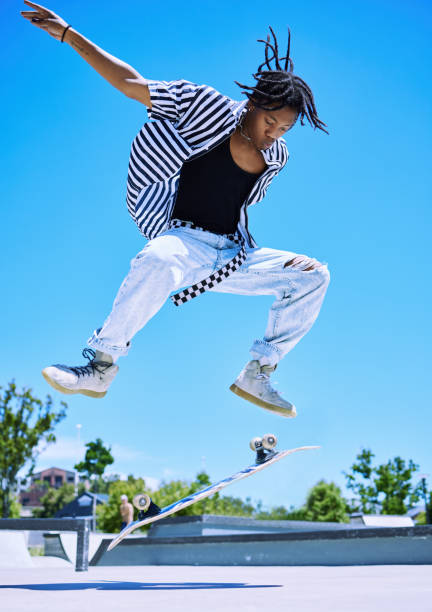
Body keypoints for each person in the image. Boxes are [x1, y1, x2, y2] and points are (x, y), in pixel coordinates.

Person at [22, 1, 330, 418]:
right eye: (269, 122)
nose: (272, 135)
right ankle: (101, 365)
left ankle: (259, 371)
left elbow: (242, 201)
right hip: (185, 242)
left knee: (313, 275)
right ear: (255, 102)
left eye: (283, 130)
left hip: (234, 255)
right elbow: (132, 83)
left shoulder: (277, 158)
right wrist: (68, 34)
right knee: (158, 257)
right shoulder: (204, 106)